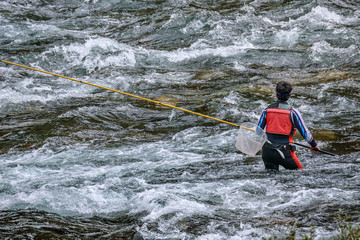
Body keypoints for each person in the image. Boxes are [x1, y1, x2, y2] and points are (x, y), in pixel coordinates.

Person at [257, 81, 320, 170]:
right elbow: (305, 133)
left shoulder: (266, 110)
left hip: (267, 151)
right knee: (300, 174)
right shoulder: (293, 112)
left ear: (276, 94)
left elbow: (258, 131)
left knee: (271, 178)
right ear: (290, 95)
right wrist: (314, 145)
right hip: (285, 152)